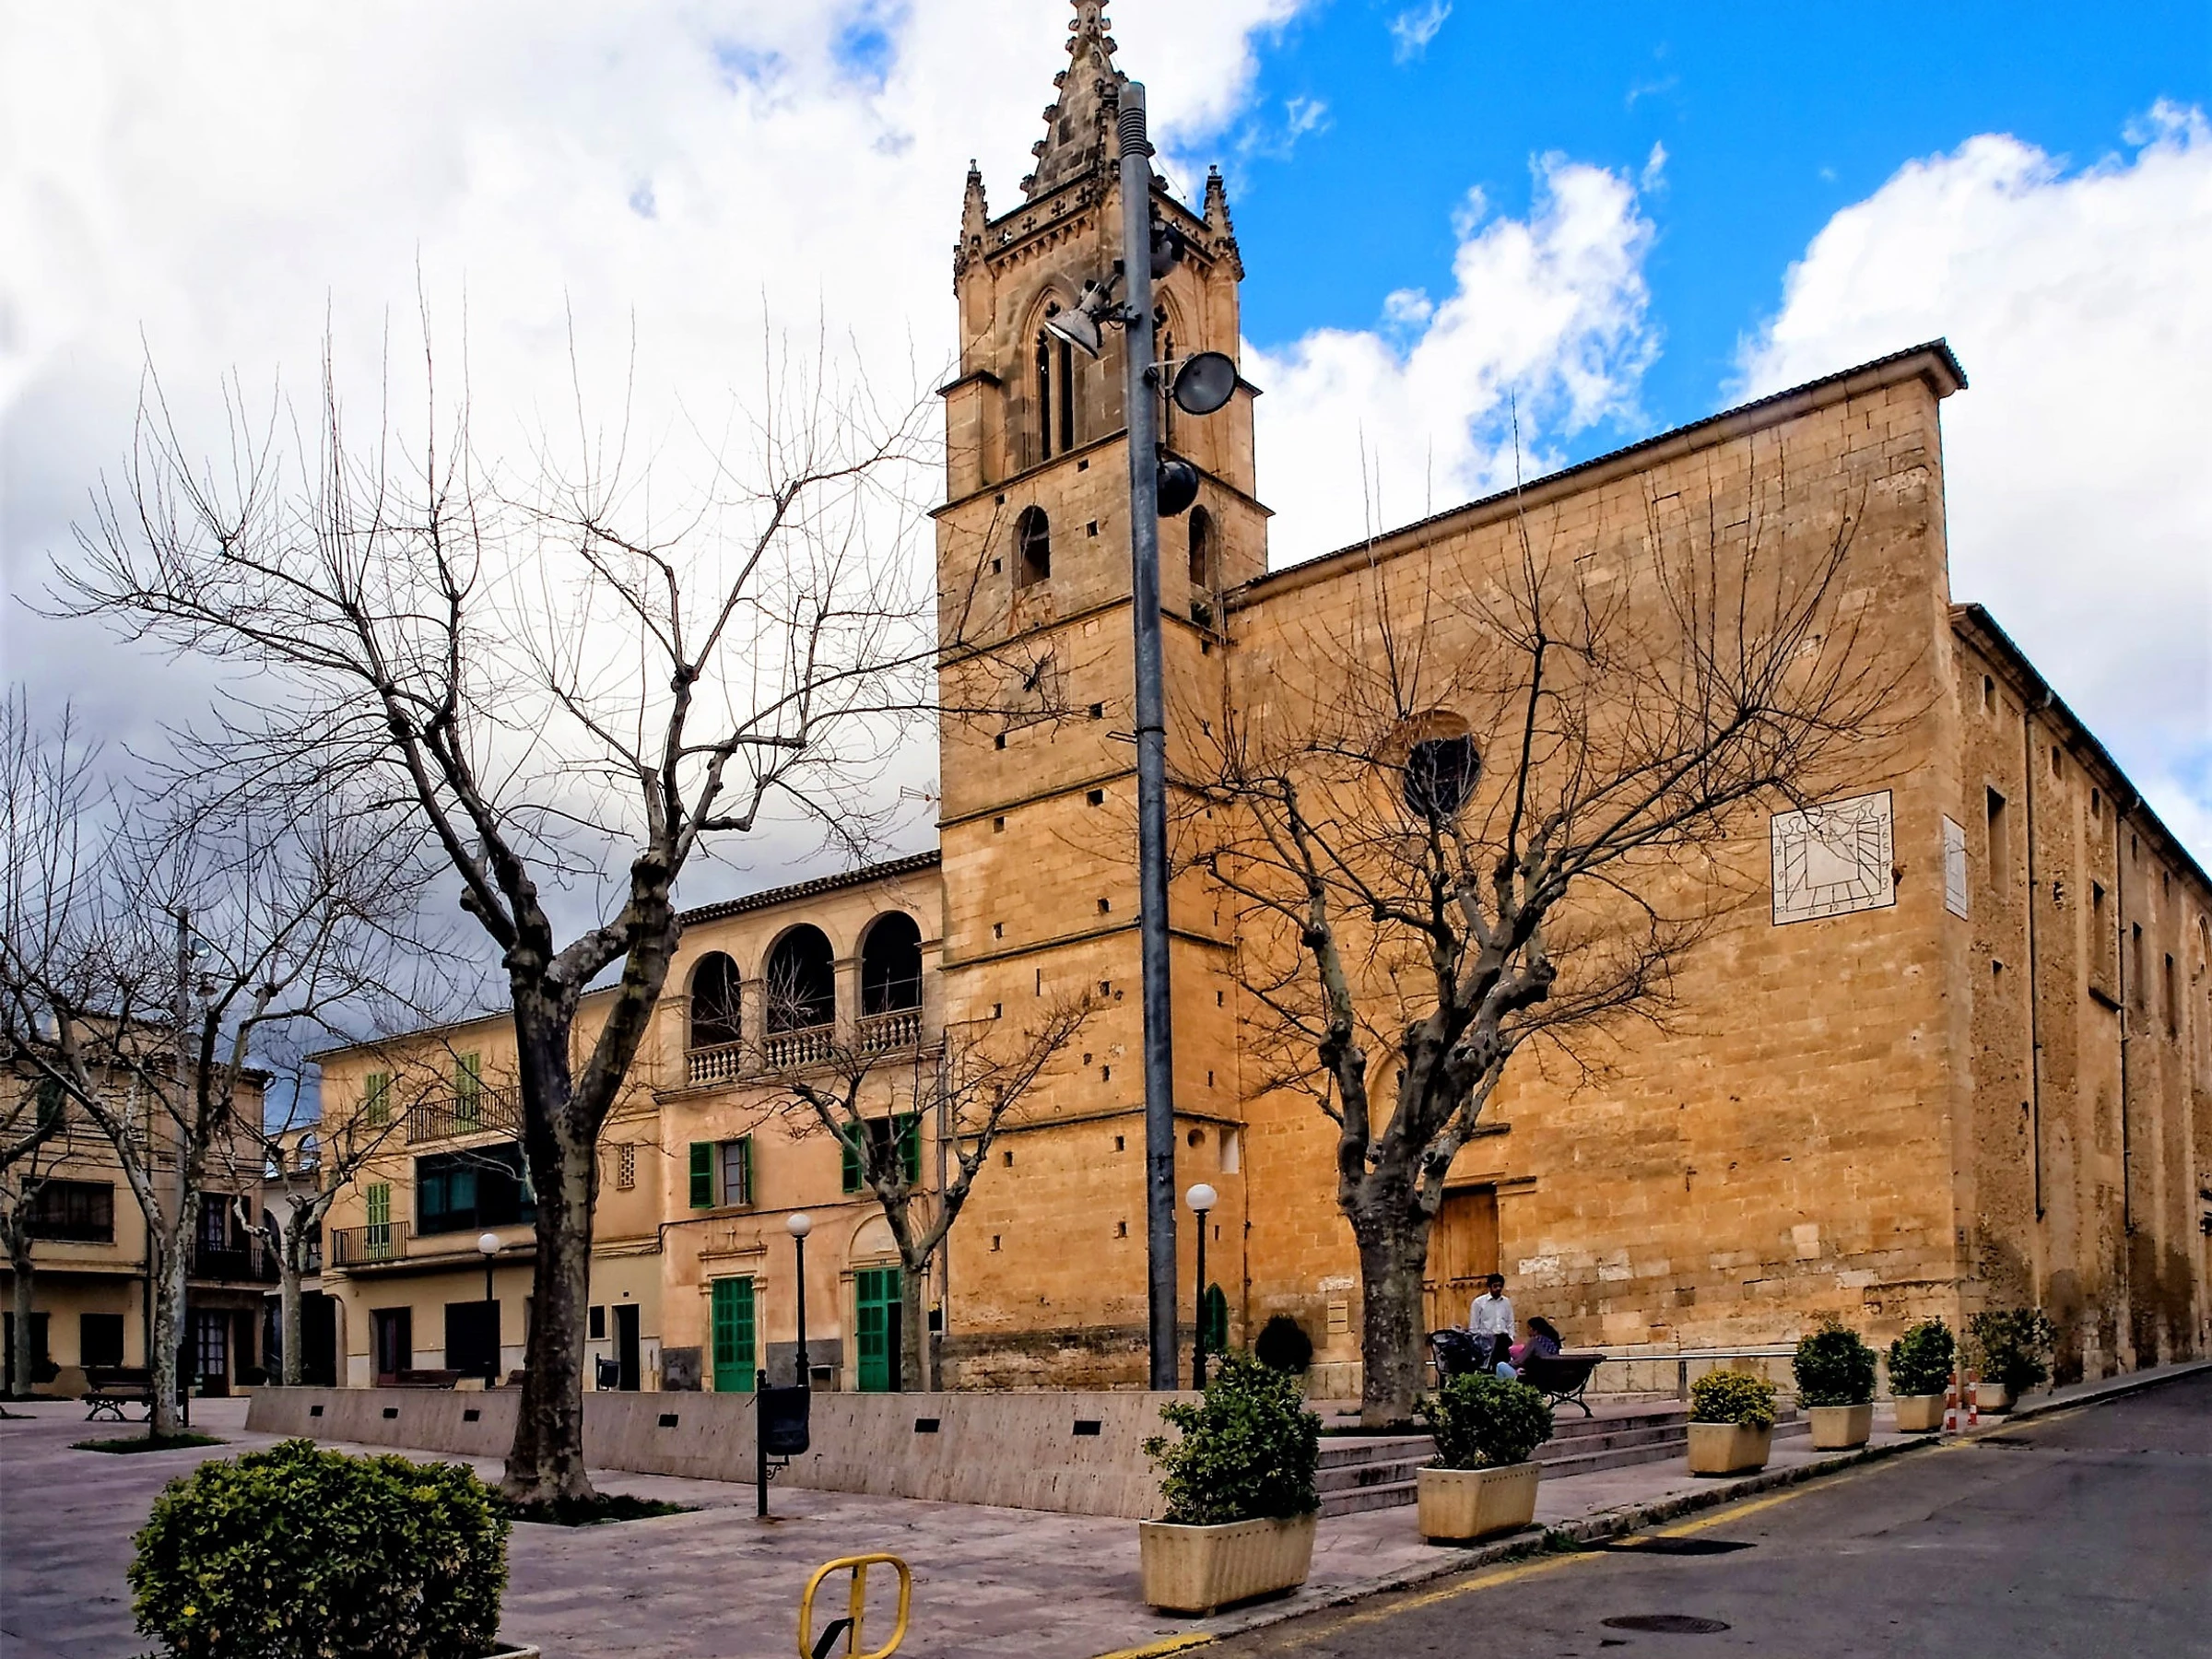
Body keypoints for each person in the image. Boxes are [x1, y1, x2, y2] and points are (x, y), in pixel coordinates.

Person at [1467, 1273, 1514, 1372]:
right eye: (1495, 1286)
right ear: (1489, 1287)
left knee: (1502, 1368)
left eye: (1500, 1286)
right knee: (1488, 1369)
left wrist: (1511, 1338)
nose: (1498, 1289)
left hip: (1503, 1340)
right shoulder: (1479, 1302)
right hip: (1487, 1341)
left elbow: (1510, 1322)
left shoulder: (1506, 1302)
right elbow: (1474, 1326)